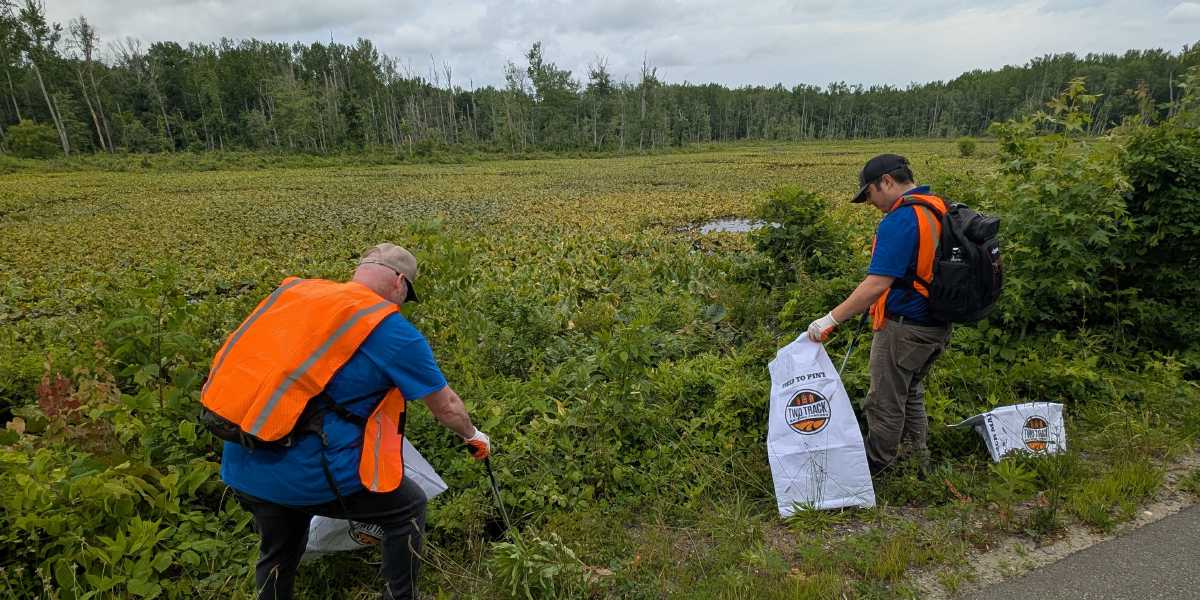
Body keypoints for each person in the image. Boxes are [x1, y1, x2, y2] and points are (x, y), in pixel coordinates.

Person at [203, 243, 491, 600]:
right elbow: (446, 406)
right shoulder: (390, 329)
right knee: (407, 507)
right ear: (400, 282)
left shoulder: (300, 293)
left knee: (280, 550)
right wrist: (473, 435)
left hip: (243, 461)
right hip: (308, 475)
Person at [807, 154, 952, 475]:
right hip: (935, 325)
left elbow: (875, 284)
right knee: (910, 392)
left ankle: (875, 470)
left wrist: (829, 320)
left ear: (886, 181)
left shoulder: (902, 219)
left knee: (884, 401)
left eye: (869, 194)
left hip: (905, 330)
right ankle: (918, 461)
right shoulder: (937, 207)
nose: (871, 203)